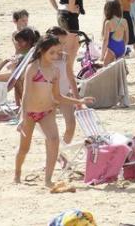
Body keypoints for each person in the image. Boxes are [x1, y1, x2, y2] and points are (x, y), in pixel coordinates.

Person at [14, 35, 94, 188]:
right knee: (25, 148)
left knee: (53, 140)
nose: (56, 56)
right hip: (29, 112)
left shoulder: (55, 71)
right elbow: (26, 94)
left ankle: (48, 179)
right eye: (52, 52)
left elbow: (57, 96)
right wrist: (22, 117)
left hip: (47, 111)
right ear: (42, 51)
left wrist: (79, 101)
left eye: (58, 52)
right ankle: (17, 174)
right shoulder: (33, 67)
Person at [46, 26, 80, 144]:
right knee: (50, 131)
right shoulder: (43, 57)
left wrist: (77, 99)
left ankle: (63, 150)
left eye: (64, 43)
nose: (63, 46)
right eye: (60, 43)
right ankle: (55, 152)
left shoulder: (65, 56)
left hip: (64, 94)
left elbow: (71, 77)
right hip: (47, 97)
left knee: (71, 125)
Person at [101, 0, 128, 65]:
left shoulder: (108, 23)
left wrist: (102, 55)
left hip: (111, 48)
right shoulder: (124, 21)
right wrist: (123, 48)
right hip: (121, 47)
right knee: (118, 70)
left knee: (106, 68)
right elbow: (126, 39)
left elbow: (105, 40)